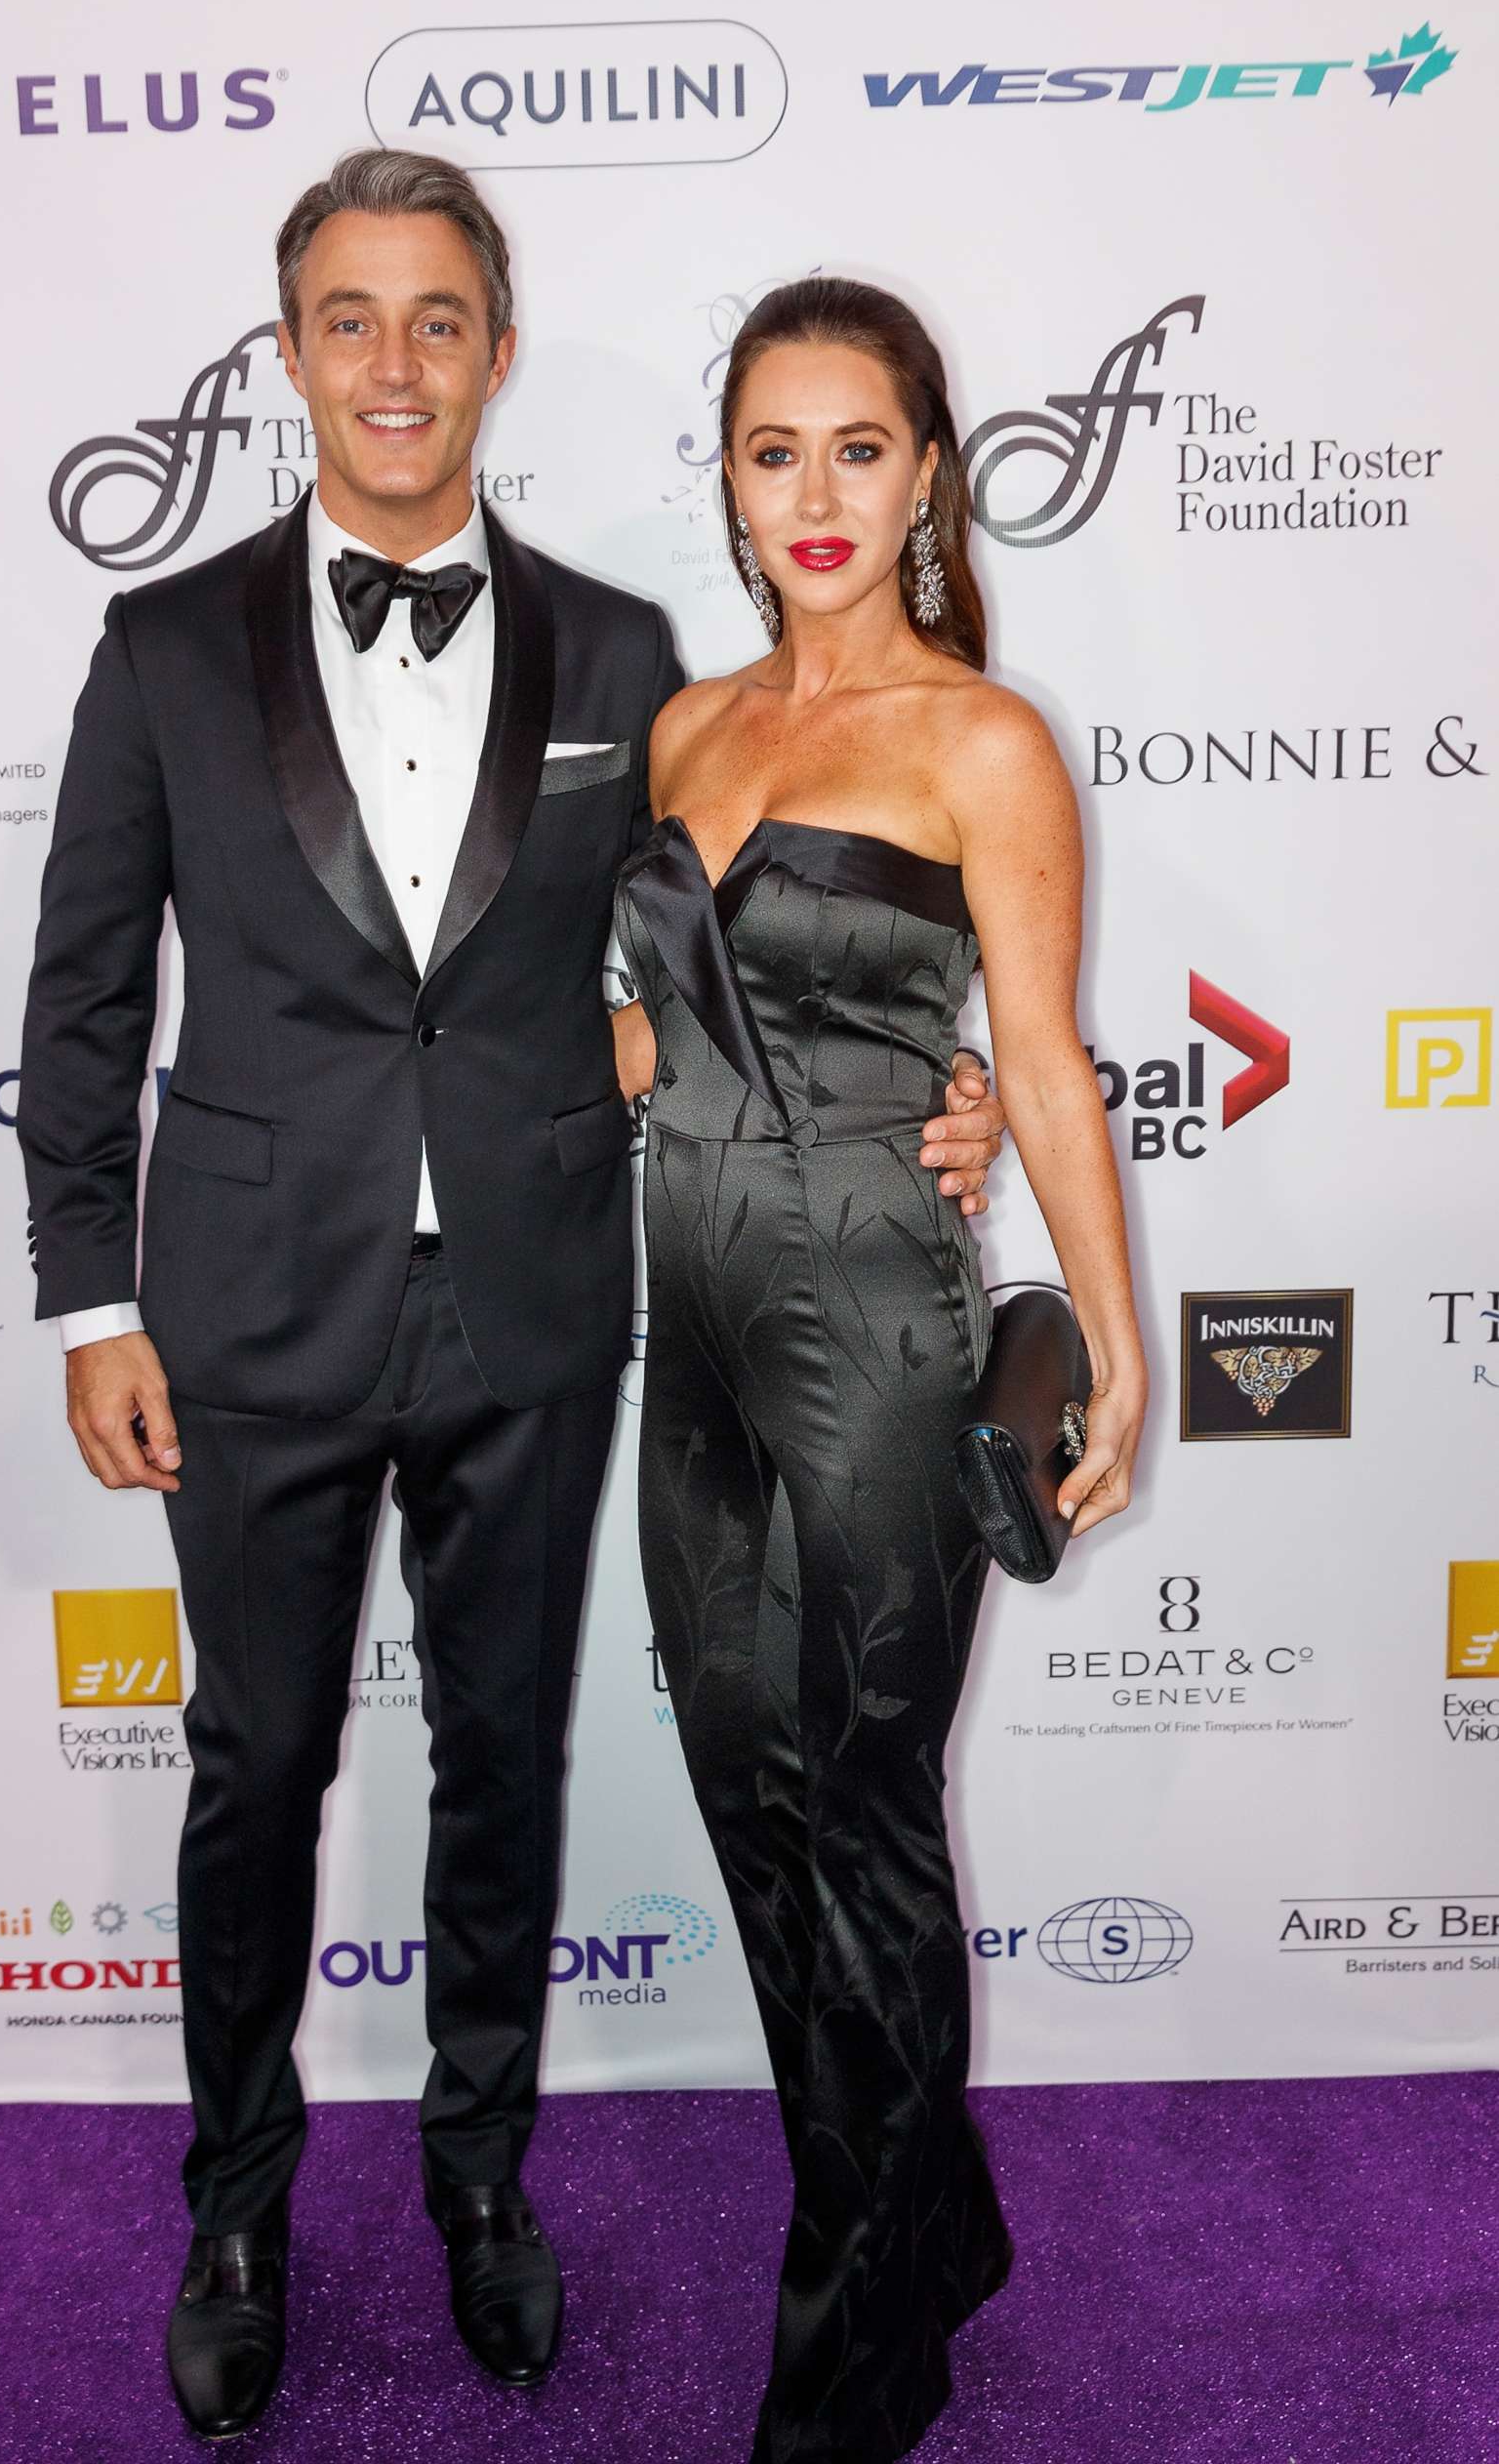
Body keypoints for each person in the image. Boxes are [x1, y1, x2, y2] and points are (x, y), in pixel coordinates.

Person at [18, 155, 1009, 2443]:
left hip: (543, 1309)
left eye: (435, 318)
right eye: (346, 320)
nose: (391, 363)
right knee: (255, 1768)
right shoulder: (163, 646)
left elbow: (730, 978)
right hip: (246, 1310)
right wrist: (92, 1307)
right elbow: (80, 1003)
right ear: (286, 357)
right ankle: (237, 2213)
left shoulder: (624, 657)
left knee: (501, 1769)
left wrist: (938, 1091)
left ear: (497, 344)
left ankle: (482, 2182)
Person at [616, 277, 1148, 2463]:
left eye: (858, 449)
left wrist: (1115, 1344)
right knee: (751, 1814)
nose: (815, 494)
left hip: (874, 1342)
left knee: (863, 1827)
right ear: (728, 491)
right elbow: (646, 1023)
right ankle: (932, 2203)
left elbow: (1032, 1059)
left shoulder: (977, 739)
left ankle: (854, 2339)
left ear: (924, 472)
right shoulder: (681, 727)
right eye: (773, 454)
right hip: (694, 1342)